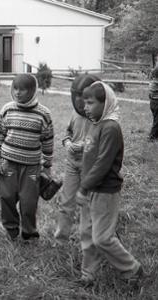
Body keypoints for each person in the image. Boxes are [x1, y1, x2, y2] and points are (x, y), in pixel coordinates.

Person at [76, 81, 142, 286]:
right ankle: (88, 274)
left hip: (104, 191)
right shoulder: (95, 124)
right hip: (90, 189)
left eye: (90, 103)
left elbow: (103, 163)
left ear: (105, 104)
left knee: (102, 238)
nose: (85, 107)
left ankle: (132, 269)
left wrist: (84, 187)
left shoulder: (111, 128)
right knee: (86, 234)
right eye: (84, 102)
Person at [0, 74, 54, 241]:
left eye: (22, 89)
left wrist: (47, 166)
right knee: (7, 198)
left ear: (33, 91)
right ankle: (11, 230)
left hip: (31, 168)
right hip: (8, 164)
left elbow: (48, 141)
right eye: (15, 88)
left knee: (29, 202)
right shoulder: (7, 109)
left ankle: (29, 233)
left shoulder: (43, 114)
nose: (17, 93)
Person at [54, 75, 100, 243]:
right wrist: (67, 143)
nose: (80, 101)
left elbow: (103, 143)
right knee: (66, 202)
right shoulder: (75, 114)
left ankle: (90, 241)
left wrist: (83, 146)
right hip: (72, 165)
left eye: (84, 96)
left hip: (91, 168)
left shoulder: (101, 118)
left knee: (89, 205)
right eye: (77, 96)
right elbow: (68, 132)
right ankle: (61, 239)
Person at [148, 65, 158, 141]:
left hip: (153, 102)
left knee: (156, 119)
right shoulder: (156, 83)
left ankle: (155, 135)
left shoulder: (152, 82)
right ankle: (152, 136)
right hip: (156, 102)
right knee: (157, 121)